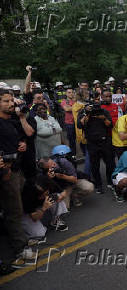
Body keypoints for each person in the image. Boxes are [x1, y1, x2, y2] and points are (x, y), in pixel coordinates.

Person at [0, 88, 37, 263]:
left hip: (17, 170)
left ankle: (16, 237)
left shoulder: (11, 121)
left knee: (15, 208)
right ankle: (21, 248)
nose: (10, 104)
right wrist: (5, 170)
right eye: (5, 101)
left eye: (11, 100)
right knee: (14, 210)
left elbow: (24, 136)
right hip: (6, 173)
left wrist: (21, 144)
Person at [77, 94, 114, 194]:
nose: (96, 102)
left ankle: (110, 181)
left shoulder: (104, 111)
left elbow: (110, 125)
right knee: (95, 165)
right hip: (92, 142)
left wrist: (103, 118)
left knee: (110, 163)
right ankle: (98, 185)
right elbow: (80, 125)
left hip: (105, 141)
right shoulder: (83, 112)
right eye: (94, 100)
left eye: (98, 99)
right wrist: (87, 114)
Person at [72, 88, 91, 177]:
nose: (88, 94)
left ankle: (87, 174)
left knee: (87, 154)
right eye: (86, 93)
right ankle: (86, 175)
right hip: (85, 133)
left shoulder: (75, 105)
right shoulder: (84, 107)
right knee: (89, 156)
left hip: (79, 134)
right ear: (83, 95)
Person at [60, 88, 76, 156]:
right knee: (71, 141)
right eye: (69, 92)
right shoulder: (64, 101)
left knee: (81, 139)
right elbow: (67, 109)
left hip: (77, 122)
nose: (71, 94)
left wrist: (72, 107)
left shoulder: (76, 101)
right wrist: (77, 107)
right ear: (66, 94)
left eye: (72, 92)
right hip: (69, 123)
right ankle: (73, 155)